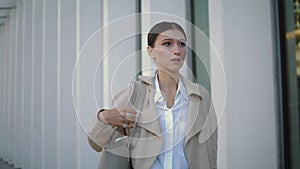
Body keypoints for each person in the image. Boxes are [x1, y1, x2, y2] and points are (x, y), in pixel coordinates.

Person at [88, 21, 218, 169]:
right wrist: (103, 117)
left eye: (181, 44)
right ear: (151, 51)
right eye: (167, 43)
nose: (177, 50)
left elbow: (210, 151)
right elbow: (96, 143)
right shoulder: (135, 93)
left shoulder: (200, 97)